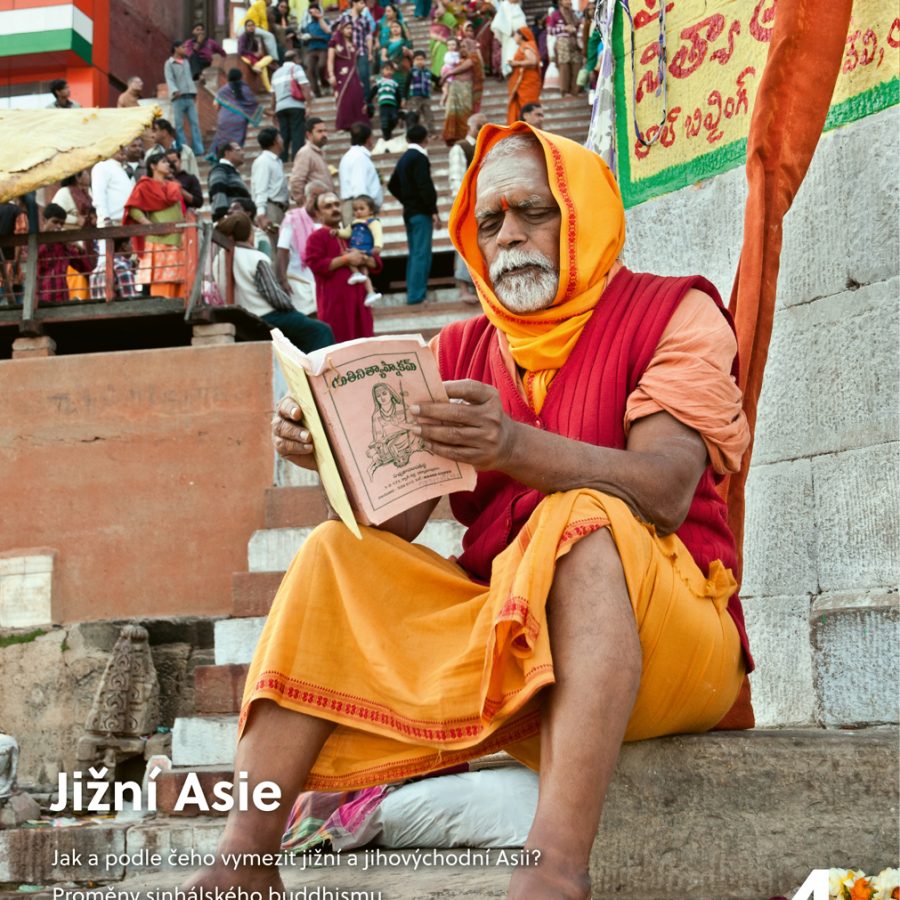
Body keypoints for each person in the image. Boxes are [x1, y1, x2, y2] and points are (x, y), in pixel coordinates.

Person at [185, 122, 752, 900]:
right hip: (518, 657)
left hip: (671, 648)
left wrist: (514, 445)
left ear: (584, 211)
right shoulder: (456, 349)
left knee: (580, 520)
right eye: (489, 223)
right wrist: (334, 453)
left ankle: (553, 873)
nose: (510, 235)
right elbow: (396, 531)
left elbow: (665, 488)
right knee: (331, 553)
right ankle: (244, 864)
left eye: (534, 211)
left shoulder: (675, 314)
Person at [215, 211, 334, 350]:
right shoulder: (256, 257)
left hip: (243, 316)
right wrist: (292, 308)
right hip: (265, 317)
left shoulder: (218, 258)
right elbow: (275, 297)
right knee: (321, 330)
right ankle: (321, 371)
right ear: (249, 235)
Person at [303, 190, 381, 341]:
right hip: (335, 308)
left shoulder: (354, 233)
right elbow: (316, 265)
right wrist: (346, 259)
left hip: (361, 306)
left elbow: (376, 263)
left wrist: (362, 258)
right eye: (328, 206)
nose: (335, 209)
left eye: (337, 204)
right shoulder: (316, 238)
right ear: (318, 213)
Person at [387, 123, 439, 305]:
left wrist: (407, 200)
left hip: (409, 211)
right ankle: (417, 296)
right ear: (425, 140)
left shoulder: (403, 159)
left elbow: (391, 184)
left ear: (408, 139)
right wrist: (433, 210)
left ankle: (414, 293)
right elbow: (425, 186)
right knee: (421, 254)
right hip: (420, 212)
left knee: (415, 253)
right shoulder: (419, 158)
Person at [123, 152, 186, 298]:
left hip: (178, 239)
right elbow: (132, 208)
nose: (168, 164)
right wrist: (150, 226)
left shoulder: (173, 186)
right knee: (162, 284)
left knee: (180, 284)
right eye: (163, 161)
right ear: (153, 166)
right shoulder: (145, 186)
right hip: (158, 241)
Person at [446, 112, 487, 303]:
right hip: (468, 204)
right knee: (464, 243)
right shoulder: (460, 147)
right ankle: (463, 289)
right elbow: (456, 178)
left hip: (486, 202)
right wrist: (463, 205)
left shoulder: (485, 147)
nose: (483, 127)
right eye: (480, 124)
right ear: (473, 126)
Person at [275, 180, 331, 315]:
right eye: (314, 196)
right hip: (299, 282)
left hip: (325, 280)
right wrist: (282, 280)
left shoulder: (329, 221)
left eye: (321, 196)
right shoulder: (292, 219)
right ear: (306, 197)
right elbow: (282, 250)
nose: (317, 200)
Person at [37, 203, 96, 305]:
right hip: (42, 301)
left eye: (61, 223)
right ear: (44, 221)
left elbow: (87, 269)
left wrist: (80, 250)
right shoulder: (36, 245)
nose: (59, 226)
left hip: (62, 301)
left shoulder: (64, 246)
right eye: (55, 222)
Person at [333, 194, 382, 306]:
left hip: (365, 249)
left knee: (346, 255)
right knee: (364, 272)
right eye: (355, 210)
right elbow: (346, 233)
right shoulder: (354, 223)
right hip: (356, 248)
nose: (358, 212)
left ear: (371, 210)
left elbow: (377, 235)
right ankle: (370, 292)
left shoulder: (372, 222)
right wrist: (338, 232)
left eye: (362, 209)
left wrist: (377, 247)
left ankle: (356, 275)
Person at [164, 39, 206, 157]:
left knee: (195, 123)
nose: (185, 49)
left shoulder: (186, 62)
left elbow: (189, 79)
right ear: (176, 48)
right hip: (178, 98)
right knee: (179, 125)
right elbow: (169, 78)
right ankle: (184, 151)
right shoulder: (169, 63)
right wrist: (174, 90)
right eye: (183, 47)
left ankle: (199, 150)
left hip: (190, 96)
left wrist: (195, 87)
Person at [327, 20, 370, 131]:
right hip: (340, 74)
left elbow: (355, 63)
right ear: (341, 29)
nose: (350, 31)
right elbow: (330, 60)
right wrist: (331, 74)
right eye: (347, 28)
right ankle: (345, 124)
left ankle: (358, 123)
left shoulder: (353, 45)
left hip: (353, 74)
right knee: (344, 97)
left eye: (351, 29)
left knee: (356, 95)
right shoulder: (334, 43)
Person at [271, 50, 313, 160]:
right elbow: (304, 87)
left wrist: (273, 111)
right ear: (295, 58)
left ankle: (283, 159)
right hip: (295, 106)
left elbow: (273, 95)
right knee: (297, 133)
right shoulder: (296, 68)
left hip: (280, 107)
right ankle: (297, 159)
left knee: (284, 134)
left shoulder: (276, 73)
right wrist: (308, 105)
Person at [338, 122, 382, 226]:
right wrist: (364, 213)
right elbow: (359, 188)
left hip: (358, 207)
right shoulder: (359, 158)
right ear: (368, 139)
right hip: (359, 209)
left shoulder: (352, 155)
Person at [212, 68, 263, 155]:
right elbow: (254, 104)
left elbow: (215, 105)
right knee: (236, 144)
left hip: (224, 119)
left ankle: (222, 159)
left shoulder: (223, 90)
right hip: (239, 121)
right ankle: (235, 159)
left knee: (223, 143)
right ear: (241, 77)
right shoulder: (245, 89)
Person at [251, 127, 290, 234]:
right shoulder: (264, 161)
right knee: (273, 247)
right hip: (270, 210)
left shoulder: (277, 161)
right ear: (275, 141)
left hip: (279, 210)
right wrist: (261, 214)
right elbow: (260, 189)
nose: (283, 140)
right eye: (280, 137)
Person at [289, 118, 334, 205]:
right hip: (314, 206)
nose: (324, 134)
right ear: (309, 134)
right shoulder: (305, 153)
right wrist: (305, 204)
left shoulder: (319, 152)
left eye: (325, 131)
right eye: (319, 131)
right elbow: (296, 181)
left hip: (324, 205)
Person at [441, 41, 475, 144]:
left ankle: (466, 135)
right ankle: (452, 136)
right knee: (451, 111)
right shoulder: (457, 60)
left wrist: (448, 74)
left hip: (465, 89)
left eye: (465, 46)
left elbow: (468, 65)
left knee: (465, 110)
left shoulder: (473, 58)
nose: (462, 49)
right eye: (461, 47)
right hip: (455, 89)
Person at [339, 0, 375, 97]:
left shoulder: (364, 19)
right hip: (347, 54)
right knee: (348, 78)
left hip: (362, 51)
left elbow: (369, 37)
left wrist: (370, 53)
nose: (364, 6)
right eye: (361, 3)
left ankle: (367, 102)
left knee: (364, 76)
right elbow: (335, 32)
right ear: (354, 3)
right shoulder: (344, 18)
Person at [208, 142, 253, 221]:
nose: (243, 153)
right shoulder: (220, 169)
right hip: (230, 222)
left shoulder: (232, 171)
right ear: (227, 153)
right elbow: (218, 193)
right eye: (238, 150)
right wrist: (223, 218)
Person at [506, 26, 541, 125]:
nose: (514, 37)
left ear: (521, 36)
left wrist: (515, 63)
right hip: (523, 82)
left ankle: (531, 127)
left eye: (516, 34)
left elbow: (533, 61)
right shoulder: (523, 46)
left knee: (529, 107)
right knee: (522, 107)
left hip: (528, 81)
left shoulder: (527, 45)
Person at [548, 0, 583, 98]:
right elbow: (550, 30)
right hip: (563, 42)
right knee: (564, 65)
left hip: (575, 41)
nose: (568, 1)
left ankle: (575, 90)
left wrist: (575, 29)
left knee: (577, 63)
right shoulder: (555, 14)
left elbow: (581, 25)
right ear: (560, 2)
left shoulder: (575, 13)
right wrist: (564, 28)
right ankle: (565, 90)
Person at [91, 147, 134, 226]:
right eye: (119, 147)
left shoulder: (124, 169)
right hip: (110, 223)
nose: (122, 150)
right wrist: (105, 219)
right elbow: (99, 195)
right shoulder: (102, 166)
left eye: (124, 147)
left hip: (126, 224)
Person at [299, 0, 333, 97]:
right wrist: (304, 39)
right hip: (311, 50)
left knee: (321, 66)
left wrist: (315, 37)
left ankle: (325, 84)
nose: (313, 14)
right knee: (309, 70)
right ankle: (316, 92)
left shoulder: (325, 22)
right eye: (311, 12)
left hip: (323, 48)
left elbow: (328, 36)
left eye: (315, 11)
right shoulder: (308, 26)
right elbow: (304, 41)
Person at [238, 19, 275, 93]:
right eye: (249, 26)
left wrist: (259, 52)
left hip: (254, 59)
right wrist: (253, 54)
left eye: (252, 25)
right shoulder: (243, 37)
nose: (251, 27)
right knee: (263, 67)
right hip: (245, 58)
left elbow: (256, 52)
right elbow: (241, 51)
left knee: (270, 58)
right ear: (245, 27)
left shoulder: (254, 38)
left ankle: (257, 66)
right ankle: (269, 88)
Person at [491, 0, 526, 76]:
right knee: (512, 63)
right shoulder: (505, 5)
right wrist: (511, 32)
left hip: (521, 40)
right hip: (511, 40)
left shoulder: (517, 6)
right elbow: (497, 23)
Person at [371, 60, 403, 142]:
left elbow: (398, 95)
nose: (389, 72)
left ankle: (388, 132)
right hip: (383, 105)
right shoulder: (380, 81)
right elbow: (373, 91)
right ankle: (386, 137)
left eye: (391, 70)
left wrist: (399, 106)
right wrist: (367, 101)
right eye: (387, 69)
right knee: (384, 122)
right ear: (382, 70)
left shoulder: (394, 82)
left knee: (394, 119)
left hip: (393, 105)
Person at [404, 50, 434, 131]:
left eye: (422, 59)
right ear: (413, 61)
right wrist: (404, 98)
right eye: (417, 59)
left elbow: (436, 79)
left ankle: (432, 133)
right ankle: (412, 132)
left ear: (425, 60)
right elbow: (406, 85)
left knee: (429, 115)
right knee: (413, 115)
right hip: (414, 97)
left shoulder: (428, 72)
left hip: (425, 97)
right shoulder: (412, 71)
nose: (420, 61)